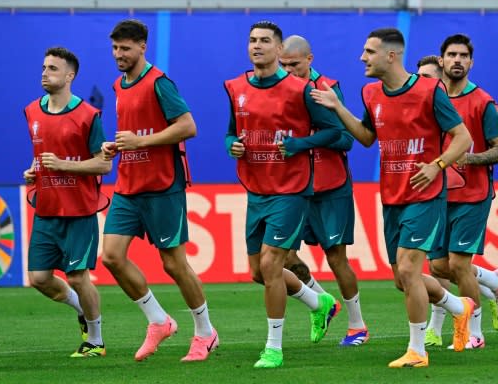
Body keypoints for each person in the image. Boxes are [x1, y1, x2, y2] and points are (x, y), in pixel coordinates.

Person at [310, 27, 476, 368]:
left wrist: (437, 165)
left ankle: (418, 350)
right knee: (402, 279)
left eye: (369, 51)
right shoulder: (371, 93)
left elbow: (463, 138)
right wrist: (339, 108)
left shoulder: (430, 90)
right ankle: (460, 307)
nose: (362, 57)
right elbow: (368, 137)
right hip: (392, 196)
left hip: (425, 194)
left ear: (391, 55)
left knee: (409, 268)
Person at [224, 21, 344, 368]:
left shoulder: (301, 90)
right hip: (256, 189)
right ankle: (318, 303)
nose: (256, 46)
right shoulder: (235, 87)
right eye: (252, 40)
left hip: (291, 189)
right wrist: (232, 145)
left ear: (279, 50)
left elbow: (334, 131)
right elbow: (231, 132)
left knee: (271, 263)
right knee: (257, 273)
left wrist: (298, 145)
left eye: (264, 41)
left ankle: (273, 347)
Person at [100, 19, 218, 362]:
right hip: (128, 184)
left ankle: (206, 332)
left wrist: (142, 141)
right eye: (115, 48)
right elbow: (135, 131)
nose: (118, 55)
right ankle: (158, 320)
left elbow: (187, 126)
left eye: (125, 48)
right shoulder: (119, 85)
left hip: (162, 184)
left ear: (142, 48)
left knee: (173, 264)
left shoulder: (159, 82)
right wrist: (119, 146)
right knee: (111, 257)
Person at [278, 34, 370, 347]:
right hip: (294, 187)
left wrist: (304, 141)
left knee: (335, 258)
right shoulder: (278, 90)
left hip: (330, 186)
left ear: (310, 59)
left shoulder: (328, 88)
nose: (289, 71)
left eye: (294, 64)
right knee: (284, 258)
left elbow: (346, 139)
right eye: (284, 65)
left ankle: (357, 326)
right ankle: (322, 302)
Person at [423, 34, 498, 350]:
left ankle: (475, 334)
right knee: (437, 267)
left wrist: (469, 158)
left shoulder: (482, 102)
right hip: (439, 195)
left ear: (471, 62)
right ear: (441, 60)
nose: (457, 60)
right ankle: (493, 280)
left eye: (463, 56)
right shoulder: (432, 98)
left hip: (473, 195)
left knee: (459, 265)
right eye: (452, 55)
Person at [23, 47, 111, 358]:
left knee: (76, 276)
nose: (45, 73)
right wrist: (33, 171)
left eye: (53, 69)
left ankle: (95, 340)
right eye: (44, 67)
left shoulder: (88, 115)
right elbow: (42, 157)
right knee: (40, 278)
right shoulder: (32, 111)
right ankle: (80, 308)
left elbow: (103, 164)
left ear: (70, 76)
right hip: (46, 209)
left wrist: (64, 166)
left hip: (79, 210)